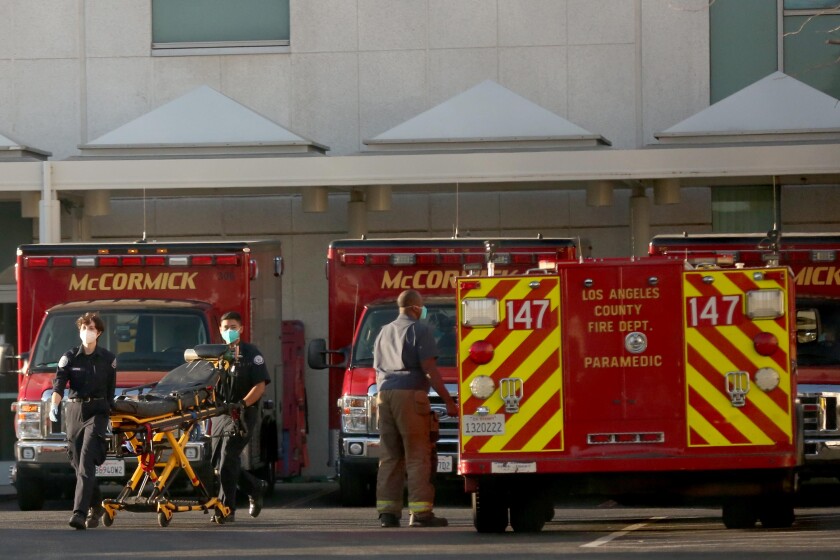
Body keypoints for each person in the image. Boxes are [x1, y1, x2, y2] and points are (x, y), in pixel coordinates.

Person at [374, 289, 458, 528]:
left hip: (384, 395)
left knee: (390, 456)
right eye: (421, 307)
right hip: (409, 395)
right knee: (417, 455)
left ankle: (387, 513)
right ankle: (421, 513)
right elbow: (429, 369)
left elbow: (377, 368)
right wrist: (449, 401)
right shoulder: (420, 330)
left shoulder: (383, 332)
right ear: (415, 308)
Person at [49, 312, 116, 530]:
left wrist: (109, 416)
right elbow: (59, 384)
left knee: (87, 461)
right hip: (75, 411)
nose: (86, 331)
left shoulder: (108, 359)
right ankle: (96, 506)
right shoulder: (69, 357)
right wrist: (54, 404)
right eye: (83, 327)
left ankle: (79, 513)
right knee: (78, 464)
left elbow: (110, 392)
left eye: (91, 328)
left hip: (97, 411)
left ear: (99, 333)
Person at [209, 311, 271, 523]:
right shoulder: (216, 354)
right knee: (218, 463)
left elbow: (260, 386)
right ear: (220, 330)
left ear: (241, 329)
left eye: (233, 327)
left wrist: (242, 403)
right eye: (225, 327)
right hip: (219, 413)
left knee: (228, 457)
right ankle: (254, 487)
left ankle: (226, 509)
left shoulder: (251, 353)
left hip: (243, 412)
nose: (229, 331)